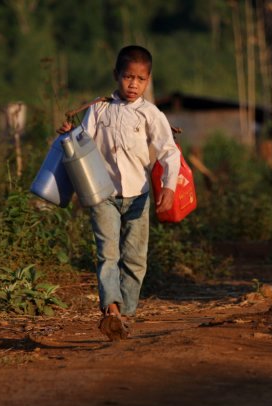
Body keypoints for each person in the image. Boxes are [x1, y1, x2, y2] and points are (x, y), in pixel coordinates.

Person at [59, 45, 181, 341]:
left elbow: (169, 152)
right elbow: (83, 143)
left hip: (139, 194)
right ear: (116, 76)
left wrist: (169, 186)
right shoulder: (99, 109)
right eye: (128, 77)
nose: (133, 84)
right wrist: (68, 136)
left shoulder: (150, 113)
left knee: (136, 258)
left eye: (140, 79)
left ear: (148, 81)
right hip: (103, 195)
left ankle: (125, 314)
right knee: (108, 254)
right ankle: (111, 310)